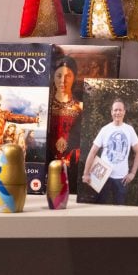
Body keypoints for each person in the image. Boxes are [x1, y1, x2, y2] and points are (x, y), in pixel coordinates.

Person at [81, 98, 138, 205]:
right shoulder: (105, 130)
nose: (117, 112)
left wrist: (132, 173)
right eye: (115, 110)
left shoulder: (129, 130)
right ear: (111, 112)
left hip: (122, 178)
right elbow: (92, 152)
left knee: (120, 208)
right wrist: (86, 174)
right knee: (99, 207)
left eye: (120, 110)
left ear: (124, 112)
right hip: (102, 177)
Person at [47, 55, 84, 192]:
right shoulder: (46, 106)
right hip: (48, 161)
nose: (63, 81)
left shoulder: (81, 106)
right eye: (59, 76)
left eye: (68, 76)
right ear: (53, 77)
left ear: (74, 78)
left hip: (73, 163)